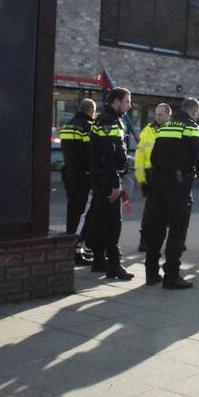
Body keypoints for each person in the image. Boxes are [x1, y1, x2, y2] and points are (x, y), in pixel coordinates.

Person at [144, 97, 199, 289]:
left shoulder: (163, 127)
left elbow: (154, 156)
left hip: (158, 184)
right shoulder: (191, 127)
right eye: (198, 113)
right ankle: (172, 275)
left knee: (157, 228)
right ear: (194, 111)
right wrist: (196, 173)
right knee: (178, 230)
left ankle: (151, 273)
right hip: (179, 186)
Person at [89, 87, 134, 280]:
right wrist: (115, 183)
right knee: (113, 223)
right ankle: (114, 266)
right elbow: (107, 155)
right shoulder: (108, 121)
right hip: (108, 179)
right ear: (116, 101)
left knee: (99, 220)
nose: (129, 105)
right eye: (127, 101)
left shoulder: (106, 119)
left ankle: (99, 260)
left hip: (101, 178)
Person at [59, 98, 96, 265]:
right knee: (82, 214)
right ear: (91, 111)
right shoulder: (87, 127)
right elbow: (91, 153)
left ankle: (71, 248)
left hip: (70, 174)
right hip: (83, 176)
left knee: (72, 211)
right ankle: (76, 251)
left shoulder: (67, 126)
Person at [134, 103, 172, 252]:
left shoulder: (173, 129)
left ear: (168, 115)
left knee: (170, 209)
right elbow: (139, 155)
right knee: (150, 210)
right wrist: (140, 177)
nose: (157, 117)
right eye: (156, 114)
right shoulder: (148, 130)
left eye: (160, 114)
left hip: (168, 175)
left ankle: (174, 241)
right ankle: (144, 240)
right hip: (151, 174)